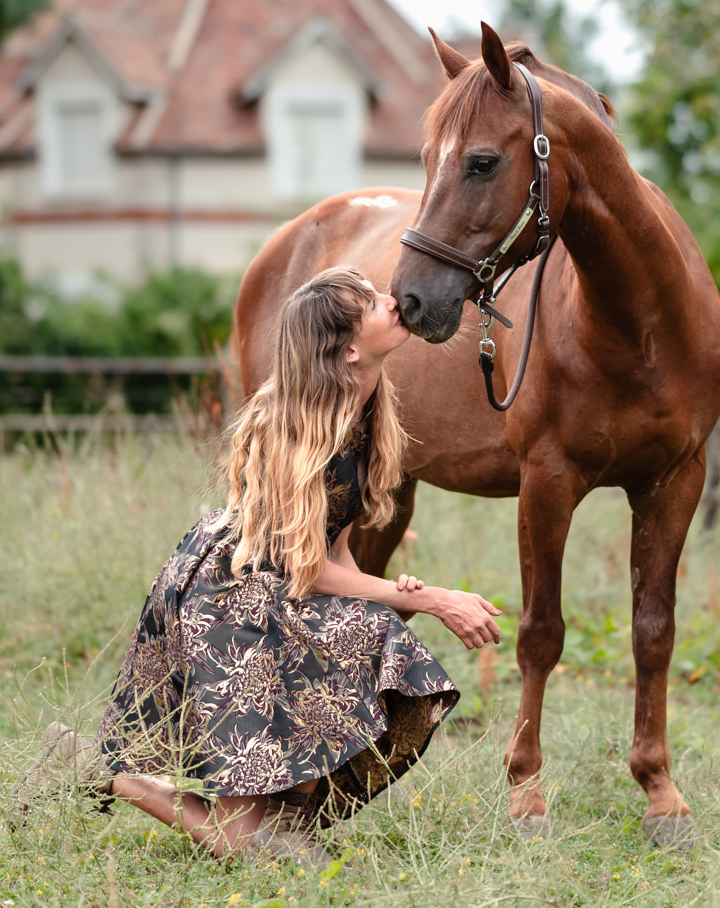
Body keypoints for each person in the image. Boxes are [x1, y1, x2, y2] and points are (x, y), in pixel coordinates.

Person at [30, 267, 503, 866]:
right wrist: (425, 597)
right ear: (350, 348)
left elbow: (334, 550)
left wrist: (379, 595)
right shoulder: (290, 424)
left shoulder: (366, 412)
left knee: (372, 635)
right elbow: (304, 567)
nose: (392, 300)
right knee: (238, 840)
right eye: (372, 303)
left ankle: (286, 818)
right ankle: (95, 769)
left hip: (281, 593)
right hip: (227, 598)